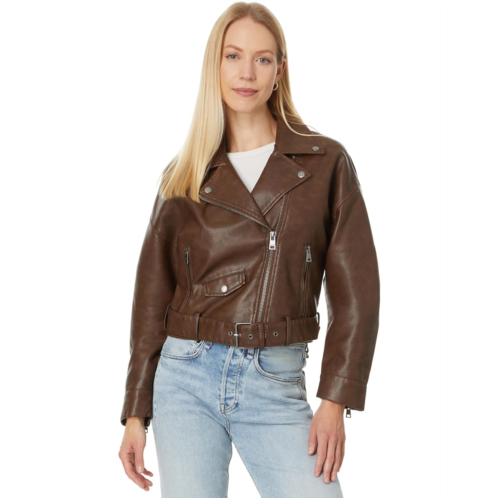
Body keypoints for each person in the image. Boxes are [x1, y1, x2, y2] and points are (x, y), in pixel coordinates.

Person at [118, 3, 380, 497]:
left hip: (275, 378)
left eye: (262, 59)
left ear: (280, 70)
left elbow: (357, 297)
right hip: (184, 377)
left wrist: (335, 398)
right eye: (233, 56)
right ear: (214, 65)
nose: (246, 73)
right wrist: (136, 413)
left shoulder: (325, 163)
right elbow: (151, 299)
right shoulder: (183, 175)